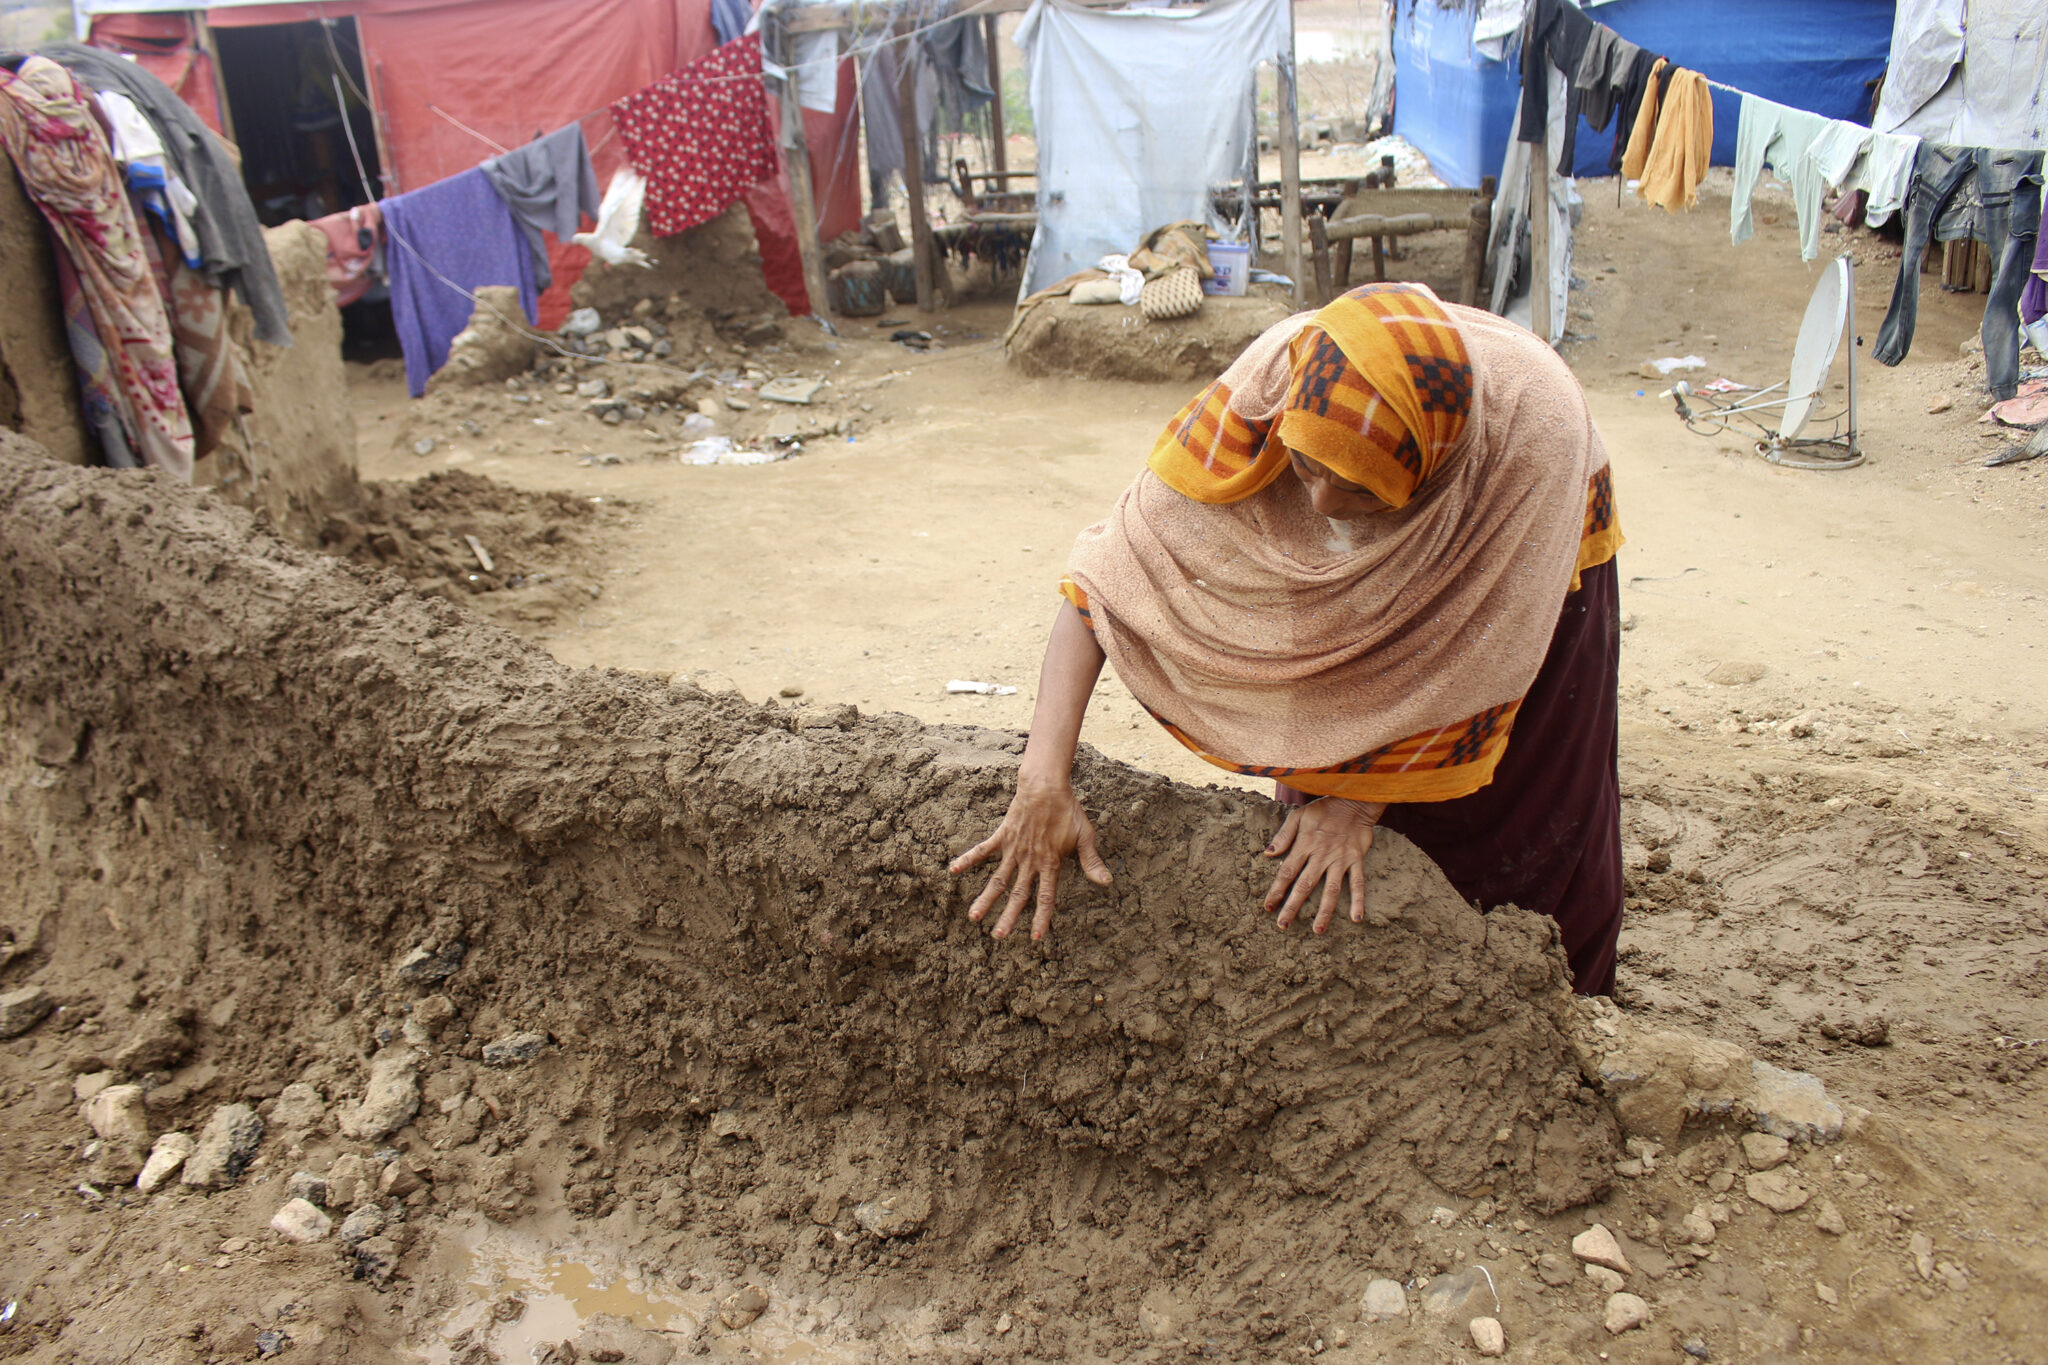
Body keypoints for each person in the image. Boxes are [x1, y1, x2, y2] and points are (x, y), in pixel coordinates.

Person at [949, 282, 1626, 994]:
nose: (1322, 507)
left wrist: (1359, 802)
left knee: (1521, 801)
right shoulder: (1273, 394)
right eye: (1306, 468)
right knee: (1314, 828)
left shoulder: (1529, 446)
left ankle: (1551, 997)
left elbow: (1485, 658)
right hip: (1377, 448)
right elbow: (1107, 579)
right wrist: (1043, 779)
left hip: (1522, 537)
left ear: (1429, 477)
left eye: (1361, 494)